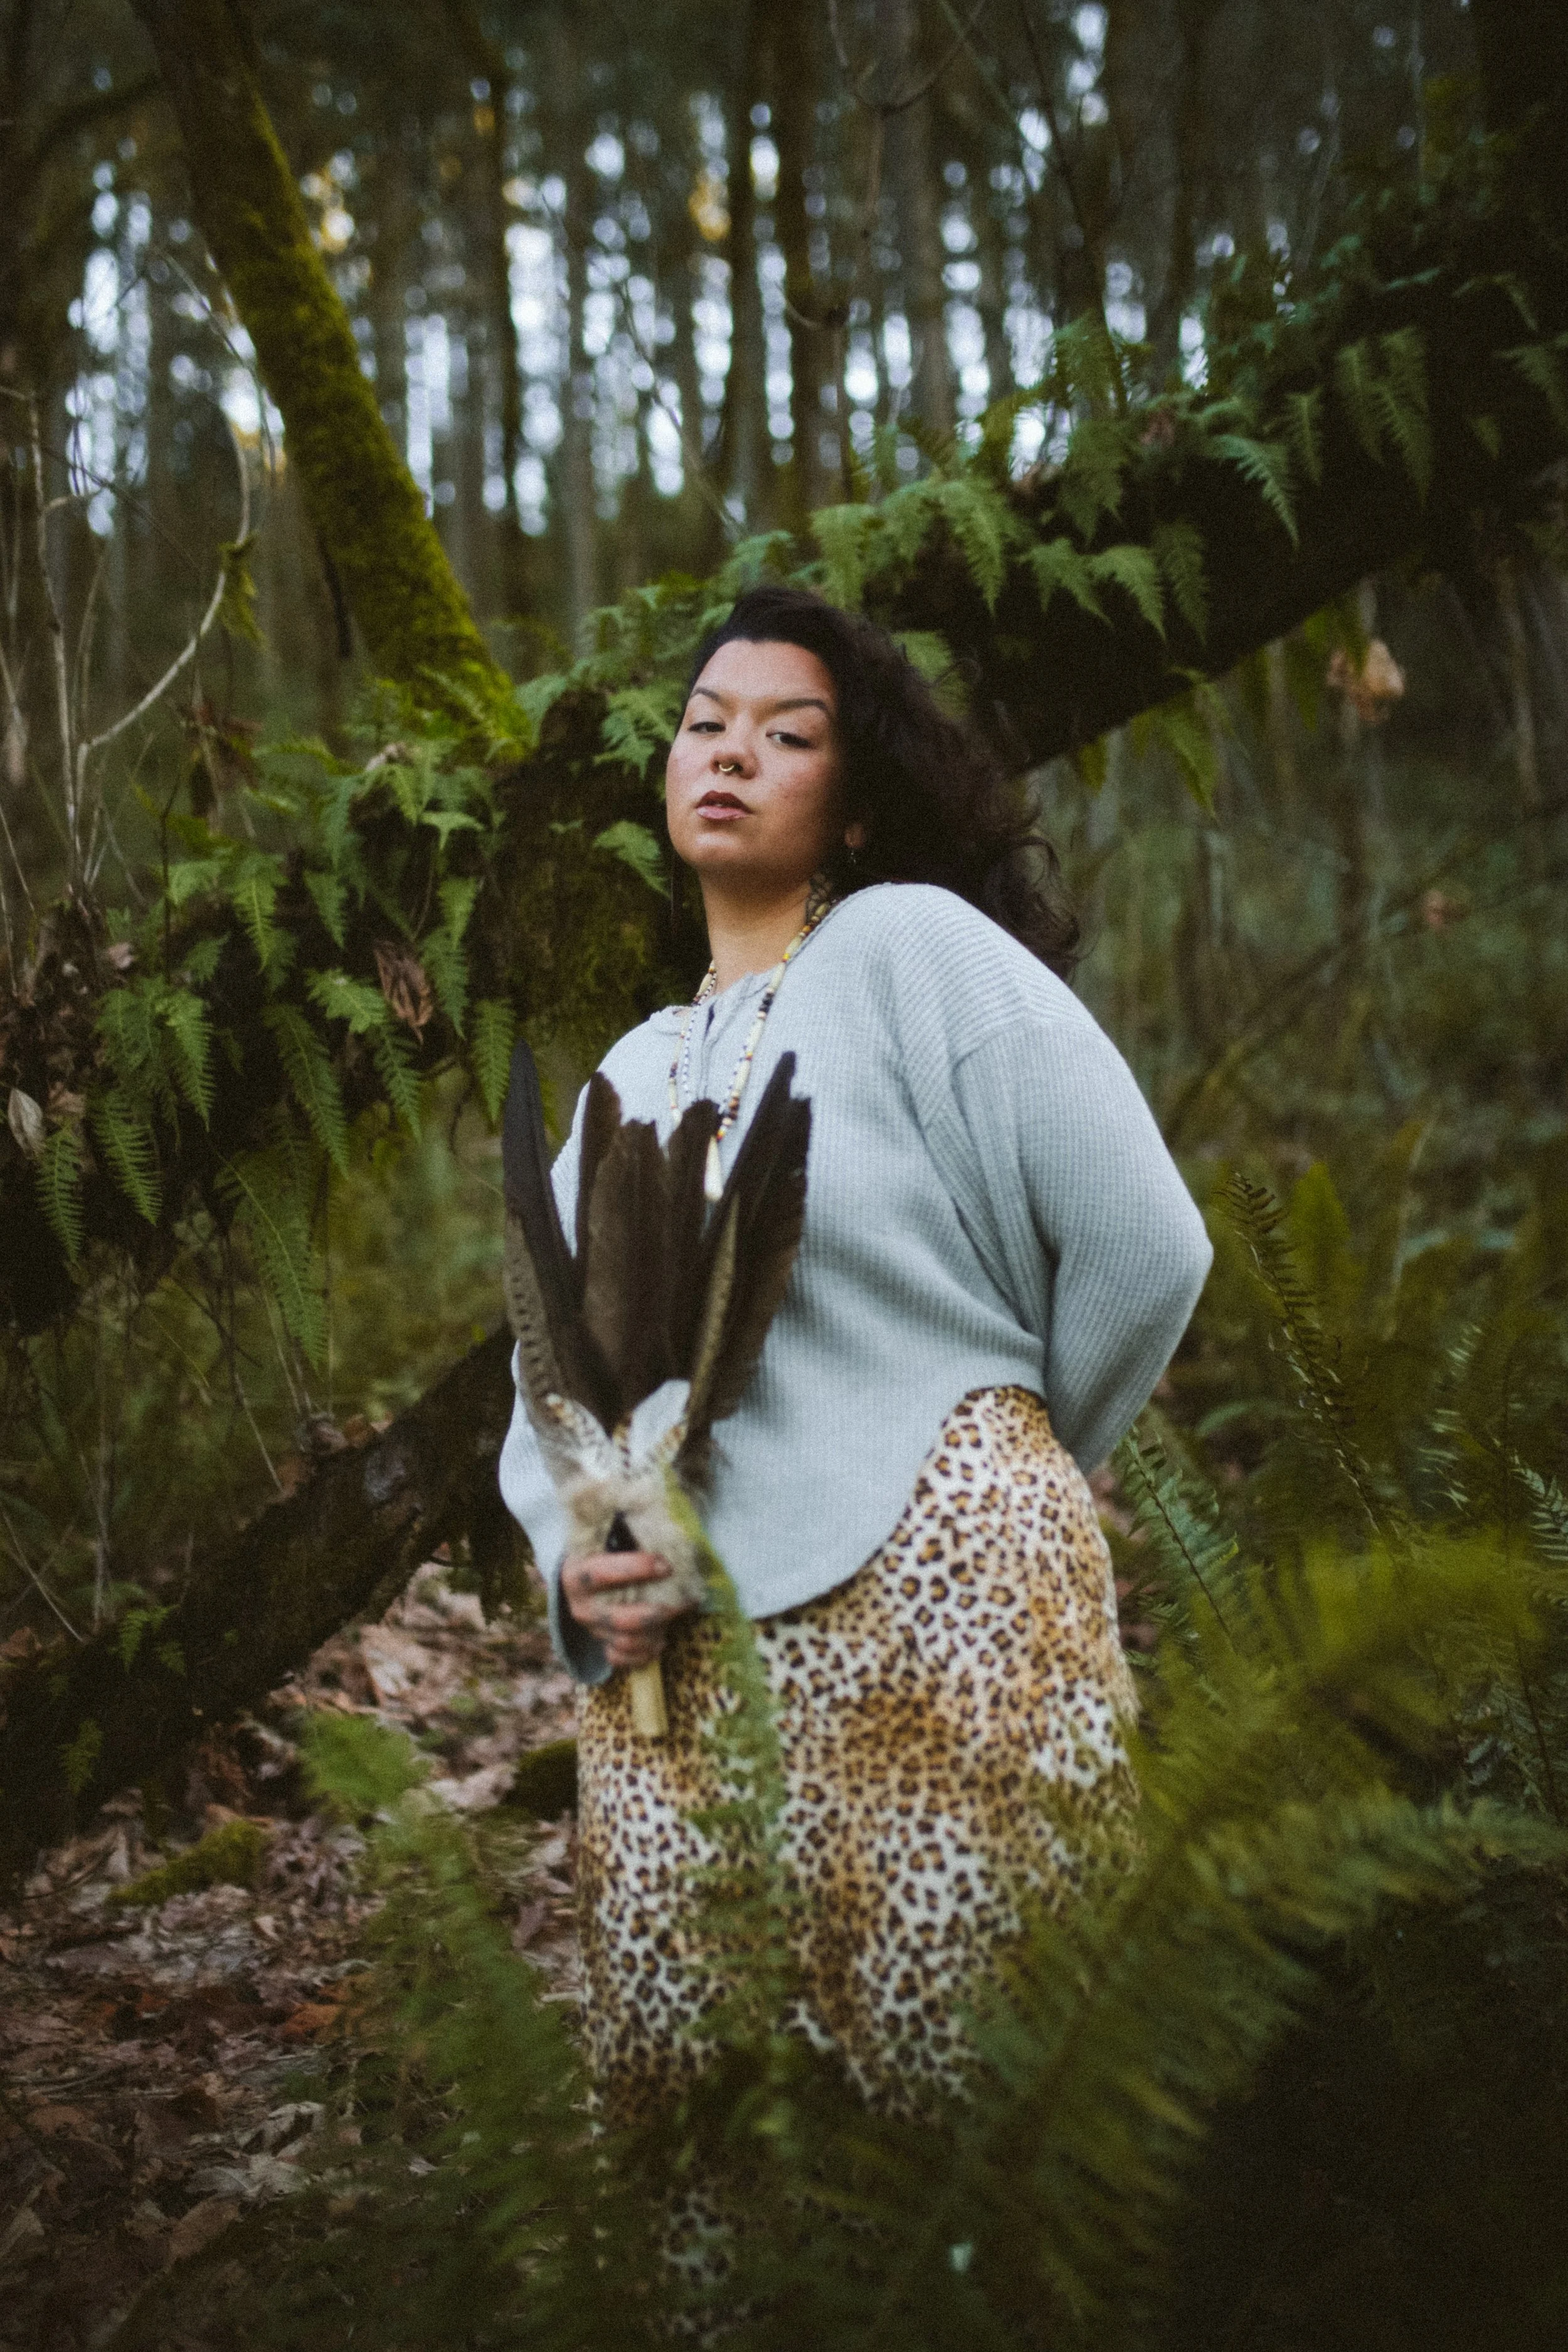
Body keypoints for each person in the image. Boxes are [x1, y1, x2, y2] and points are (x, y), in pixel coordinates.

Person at [499, 583, 1211, 2122]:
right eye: (703, 725)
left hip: (945, 1624)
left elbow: (1145, 1241)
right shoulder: (630, 1068)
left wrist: (999, 1456)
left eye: (787, 732)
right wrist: (586, 1561)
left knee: (971, 2116)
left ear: (859, 805)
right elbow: (546, 1388)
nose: (729, 752)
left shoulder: (910, 951)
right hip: (684, 1681)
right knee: (711, 2133)